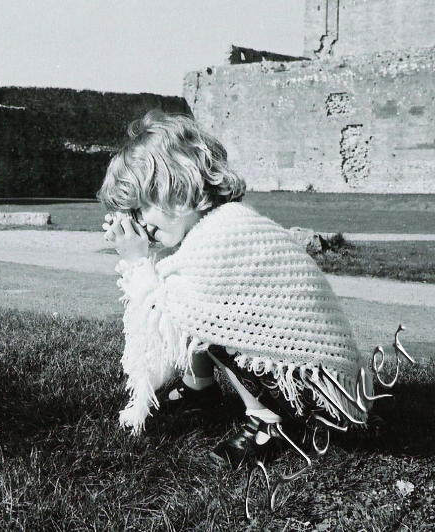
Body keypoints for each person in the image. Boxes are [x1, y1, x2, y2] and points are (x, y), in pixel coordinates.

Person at [97, 110, 376, 469]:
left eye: (140, 208)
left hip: (318, 392)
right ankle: (200, 389)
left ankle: (268, 421)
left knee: (192, 308)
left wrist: (137, 260)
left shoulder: (224, 236)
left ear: (178, 189)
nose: (137, 223)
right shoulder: (215, 224)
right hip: (321, 382)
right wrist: (148, 249)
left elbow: (163, 306)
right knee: (185, 298)